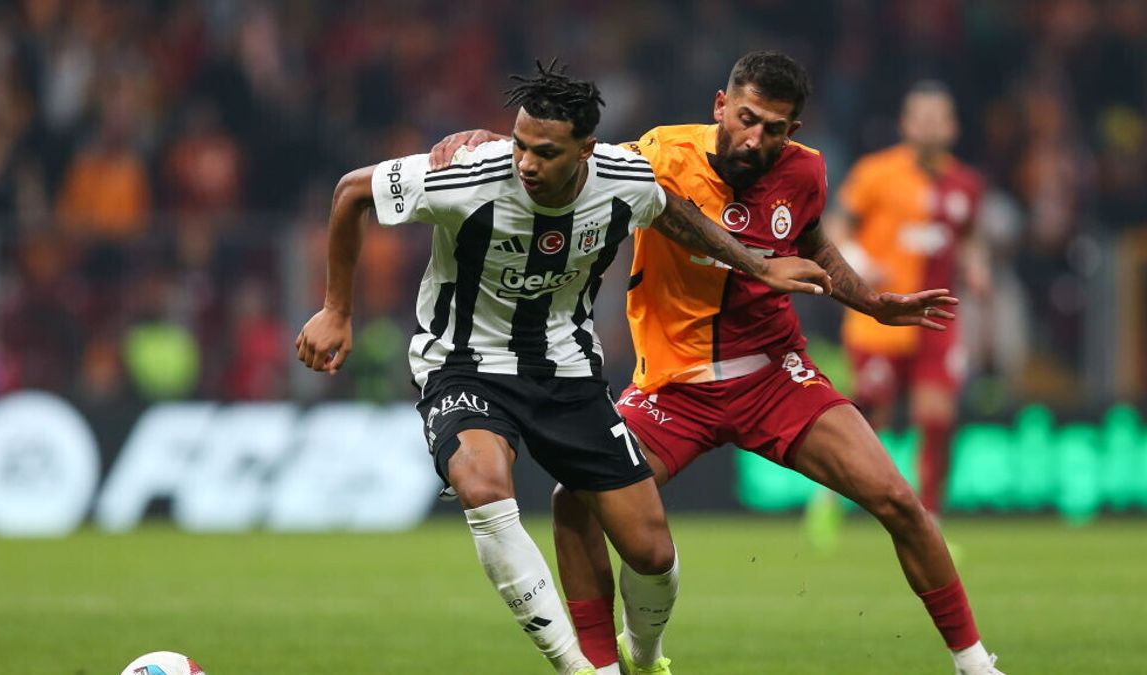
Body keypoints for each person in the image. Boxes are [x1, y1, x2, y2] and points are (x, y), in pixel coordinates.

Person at [431, 52, 1005, 675]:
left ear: (795, 133)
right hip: (673, 388)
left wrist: (871, 302)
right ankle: (616, 662)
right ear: (720, 106)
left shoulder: (806, 172)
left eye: (775, 129)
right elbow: (572, 157)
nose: (756, 138)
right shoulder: (660, 153)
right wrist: (494, 144)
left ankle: (976, 665)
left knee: (897, 499)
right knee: (574, 501)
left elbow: (811, 242)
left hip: (774, 376)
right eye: (747, 118)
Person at [296, 61, 830, 675]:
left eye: (544, 153)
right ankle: (581, 669)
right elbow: (351, 192)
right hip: (464, 365)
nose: (525, 163)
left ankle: (644, 656)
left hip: (568, 372)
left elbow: (677, 215)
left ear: (586, 151)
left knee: (650, 551)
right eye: (520, 145)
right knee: (482, 484)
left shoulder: (623, 179)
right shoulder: (464, 176)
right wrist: (337, 309)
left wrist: (759, 268)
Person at [826, 80, 989, 519]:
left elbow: (970, 238)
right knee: (869, 420)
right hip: (880, 314)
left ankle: (929, 516)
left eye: (938, 116)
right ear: (905, 123)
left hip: (937, 317)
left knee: (936, 418)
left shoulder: (966, 184)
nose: (930, 124)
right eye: (921, 115)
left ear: (952, 127)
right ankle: (829, 496)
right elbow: (837, 227)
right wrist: (859, 262)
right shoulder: (875, 173)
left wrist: (977, 267)